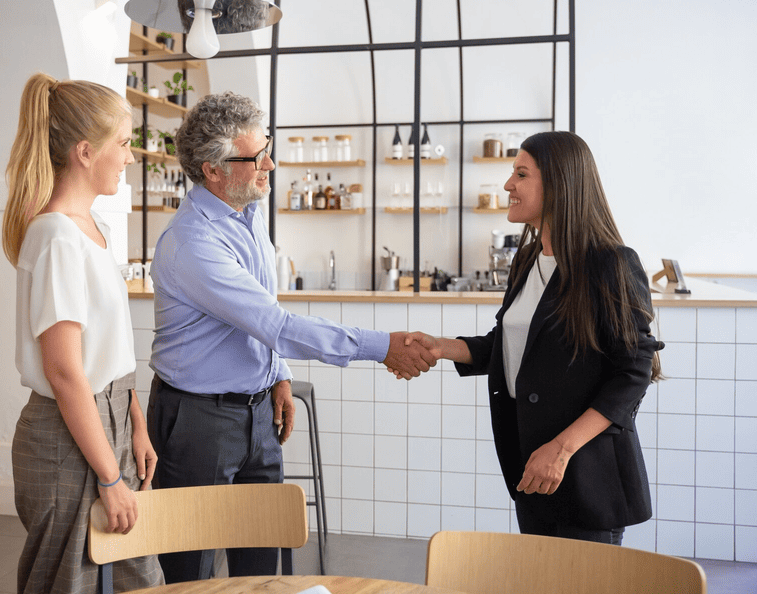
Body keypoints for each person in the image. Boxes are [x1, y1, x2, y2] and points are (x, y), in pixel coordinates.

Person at [147, 92, 435, 582]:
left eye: (268, 147)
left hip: (256, 410)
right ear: (212, 170)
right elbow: (275, 325)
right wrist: (382, 345)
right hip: (198, 419)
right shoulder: (192, 241)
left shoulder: (249, 214)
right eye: (255, 156)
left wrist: (278, 375)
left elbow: (263, 314)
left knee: (261, 567)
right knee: (192, 574)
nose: (271, 163)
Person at [397, 131, 663, 544]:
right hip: (532, 468)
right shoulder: (526, 260)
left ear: (558, 184)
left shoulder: (611, 263)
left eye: (521, 174)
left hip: (585, 471)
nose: (508, 185)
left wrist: (562, 448)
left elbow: (633, 372)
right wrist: (442, 346)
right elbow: (508, 345)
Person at [3, 72, 163, 593]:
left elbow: (108, 347)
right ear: (84, 152)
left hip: (106, 422)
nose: (130, 156)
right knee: (68, 585)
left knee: (140, 576)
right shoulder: (55, 236)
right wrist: (110, 477)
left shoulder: (93, 228)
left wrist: (135, 421)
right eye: (123, 143)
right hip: (66, 438)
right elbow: (66, 372)